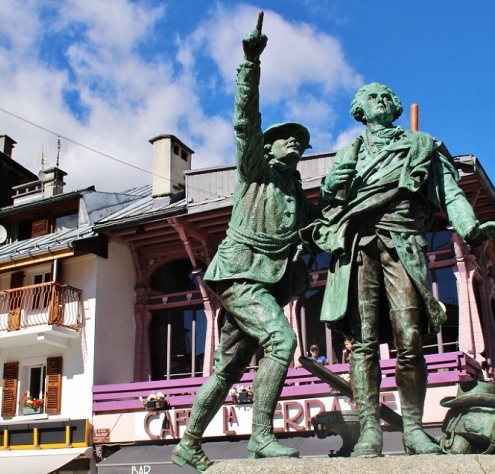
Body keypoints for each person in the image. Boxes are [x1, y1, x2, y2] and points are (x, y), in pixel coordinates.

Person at [304, 83, 495, 457]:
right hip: (359, 249)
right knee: (362, 344)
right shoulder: (351, 151)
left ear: (394, 106)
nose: (379, 101)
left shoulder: (420, 146)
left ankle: (413, 428)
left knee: (409, 338)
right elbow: (330, 199)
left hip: (403, 246)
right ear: (360, 111)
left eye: (385, 96)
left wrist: (471, 227)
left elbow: (450, 192)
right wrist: (335, 181)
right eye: (371, 97)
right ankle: (369, 431)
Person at [171, 22, 317, 471]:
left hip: (265, 281)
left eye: (302, 141)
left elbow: (322, 231)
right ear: (269, 146)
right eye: (288, 136)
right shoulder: (256, 168)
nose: (296, 142)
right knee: (281, 339)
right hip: (240, 271)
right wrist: (250, 64)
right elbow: (245, 120)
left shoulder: (297, 197)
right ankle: (260, 438)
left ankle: (188, 444)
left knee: (229, 369)